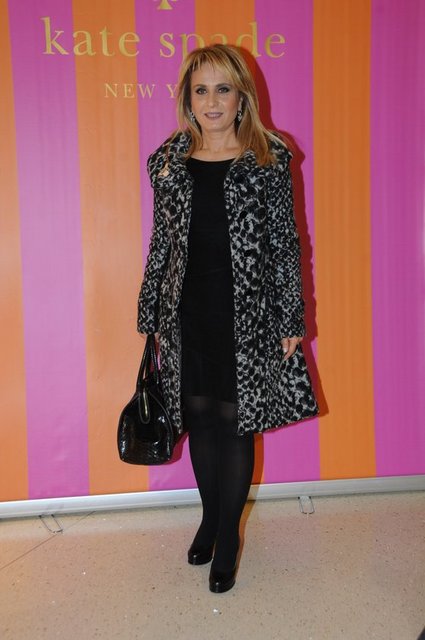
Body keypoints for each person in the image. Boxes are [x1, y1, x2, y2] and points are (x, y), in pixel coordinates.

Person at [137, 44, 319, 593]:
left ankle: (230, 536)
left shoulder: (268, 159)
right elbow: (162, 243)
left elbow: (287, 244)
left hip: (249, 315)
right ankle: (210, 519)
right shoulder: (169, 162)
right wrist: (150, 310)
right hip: (187, 314)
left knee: (236, 423)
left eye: (223, 89)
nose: (212, 101)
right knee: (198, 418)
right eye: (201, 90)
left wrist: (291, 319)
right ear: (187, 99)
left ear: (242, 97)